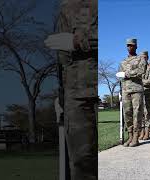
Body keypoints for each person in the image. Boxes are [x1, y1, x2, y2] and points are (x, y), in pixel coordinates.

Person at [45, 0, 98, 179]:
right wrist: (61, 95)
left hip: (94, 90)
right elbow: (62, 59)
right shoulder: (65, 6)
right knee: (80, 163)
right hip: (73, 94)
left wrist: (78, 40)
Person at [119, 38, 147, 147]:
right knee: (127, 113)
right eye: (128, 45)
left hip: (137, 90)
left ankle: (136, 137)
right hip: (125, 90)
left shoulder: (141, 59)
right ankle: (130, 136)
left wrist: (128, 74)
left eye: (132, 45)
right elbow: (120, 75)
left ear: (136, 46)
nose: (129, 47)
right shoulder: (122, 62)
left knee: (137, 113)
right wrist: (121, 90)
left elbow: (141, 71)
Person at [140, 55, 150, 140]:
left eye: (145, 58)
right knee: (141, 112)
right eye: (142, 57)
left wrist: (139, 81)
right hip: (140, 92)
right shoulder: (139, 67)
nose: (143, 59)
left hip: (148, 92)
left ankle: (147, 132)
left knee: (147, 112)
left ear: (147, 58)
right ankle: (142, 132)